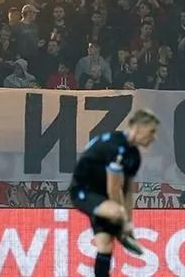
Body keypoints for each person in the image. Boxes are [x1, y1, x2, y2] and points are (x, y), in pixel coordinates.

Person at [69, 109, 161, 277]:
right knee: (117, 212)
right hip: (83, 192)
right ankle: (122, 233)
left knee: (105, 246)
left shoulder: (134, 156)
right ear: (138, 128)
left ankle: (122, 233)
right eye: (152, 131)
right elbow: (113, 188)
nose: (154, 137)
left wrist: (129, 221)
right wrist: (123, 221)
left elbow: (127, 191)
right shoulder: (116, 147)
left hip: (101, 197)